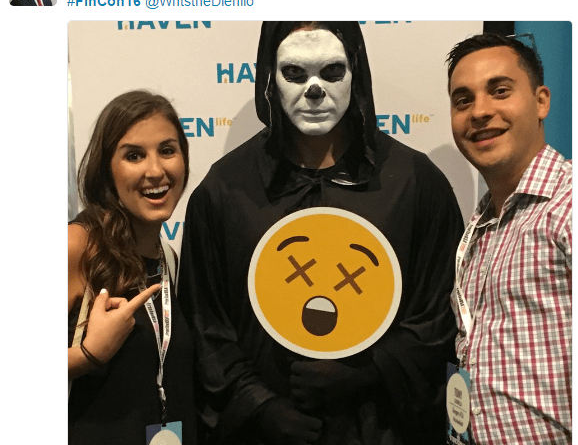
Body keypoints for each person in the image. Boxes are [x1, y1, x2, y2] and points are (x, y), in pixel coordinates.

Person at [178, 22, 464, 444]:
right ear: (269, 77)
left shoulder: (414, 182)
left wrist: (369, 372)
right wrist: (259, 406)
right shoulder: (225, 190)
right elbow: (205, 324)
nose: (314, 90)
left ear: (355, 73)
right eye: (294, 73)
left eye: (332, 71)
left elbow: (441, 312)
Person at [447, 34, 572, 443]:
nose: (480, 111)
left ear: (541, 101)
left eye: (500, 91)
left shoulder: (569, 205)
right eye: (463, 100)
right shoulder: (481, 223)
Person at [68, 90, 197, 444]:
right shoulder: (77, 246)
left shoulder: (168, 258)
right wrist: (89, 355)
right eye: (134, 156)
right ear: (106, 170)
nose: (155, 171)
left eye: (167, 150)